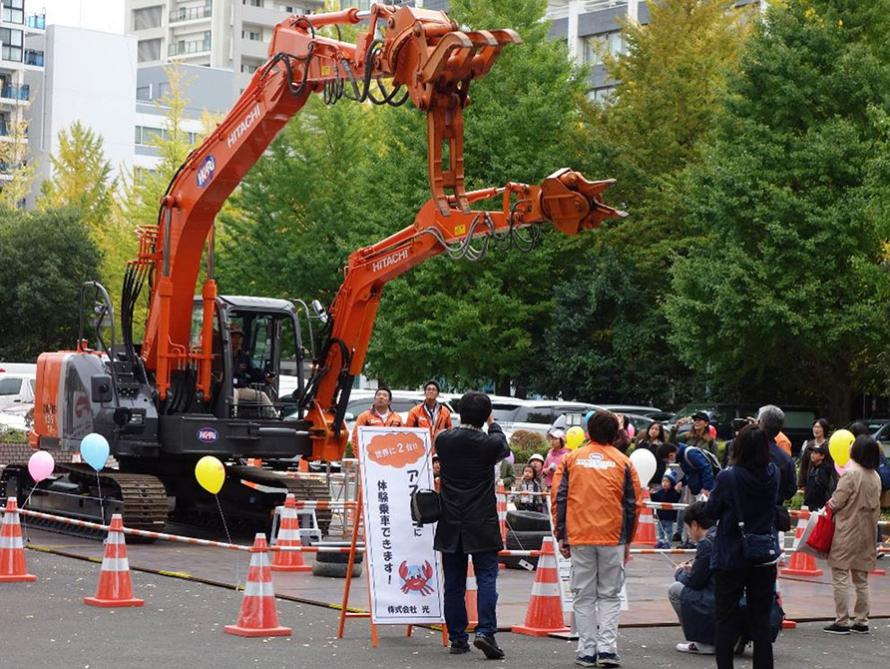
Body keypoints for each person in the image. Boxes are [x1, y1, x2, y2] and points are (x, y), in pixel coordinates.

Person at [552, 411, 642, 668]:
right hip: (612, 537)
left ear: (588, 432)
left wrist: (561, 535)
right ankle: (607, 649)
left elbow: (559, 498)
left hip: (579, 536)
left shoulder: (571, 460)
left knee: (583, 595)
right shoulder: (623, 462)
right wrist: (628, 540)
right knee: (610, 595)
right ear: (615, 434)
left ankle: (586, 650)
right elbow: (633, 504)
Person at [434, 391, 510, 659]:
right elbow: (503, 445)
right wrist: (494, 423)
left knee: (453, 582)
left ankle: (457, 638)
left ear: (460, 413)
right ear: (485, 415)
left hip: (451, 520)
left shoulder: (444, 440)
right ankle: (485, 632)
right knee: (486, 578)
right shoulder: (489, 443)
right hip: (482, 521)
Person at [705, 425, 780, 669]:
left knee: (725, 620)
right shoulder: (773, 473)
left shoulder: (728, 477)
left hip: (731, 554)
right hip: (763, 554)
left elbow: (711, 512)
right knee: (760, 621)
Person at [823, 435, 883, 635]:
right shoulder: (875, 476)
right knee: (861, 577)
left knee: (840, 574)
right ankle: (862, 620)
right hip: (867, 531)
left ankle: (841, 620)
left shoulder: (850, 474)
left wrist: (828, 507)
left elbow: (837, 501)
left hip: (847, 529)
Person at [668, 501, 717, 655]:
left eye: (688, 529)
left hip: (717, 599)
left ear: (695, 525)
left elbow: (695, 582)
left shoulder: (706, 543)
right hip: (740, 598)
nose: (689, 533)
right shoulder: (726, 534)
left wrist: (679, 572)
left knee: (675, 589)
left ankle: (701, 641)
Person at [229, 324, 275, 417]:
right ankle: (232, 417)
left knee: (262, 395)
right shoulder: (223, 355)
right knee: (234, 394)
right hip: (228, 389)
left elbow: (253, 371)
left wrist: (265, 377)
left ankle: (274, 417)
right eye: (234, 337)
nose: (236, 340)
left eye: (239, 338)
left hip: (241, 388)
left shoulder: (243, 356)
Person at [652, 470, 682, 548]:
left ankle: (668, 542)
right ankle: (661, 541)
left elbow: (676, 498)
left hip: (669, 516)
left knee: (669, 530)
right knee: (660, 530)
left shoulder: (673, 492)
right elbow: (656, 498)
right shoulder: (660, 492)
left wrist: (678, 491)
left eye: (667, 481)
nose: (664, 483)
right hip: (660, 515)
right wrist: (651, 494)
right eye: (663, 481)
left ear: (671, 483)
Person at [797, 420, 831, 490]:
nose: (816, 429)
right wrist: (802, 483)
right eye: (815, 427)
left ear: (824, 429)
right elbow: (804, 465)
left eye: (819, 427)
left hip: (824, 482)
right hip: (810, 481)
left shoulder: (828, 445)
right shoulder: (809, 445)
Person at [803, 445, 835, 511]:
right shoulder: (814, 468)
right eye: (812, 453)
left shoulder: (823, 470)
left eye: (815, 453)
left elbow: (822, 490)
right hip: (811, 506)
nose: (812, 455)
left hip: (818, 508)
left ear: (822, 456)